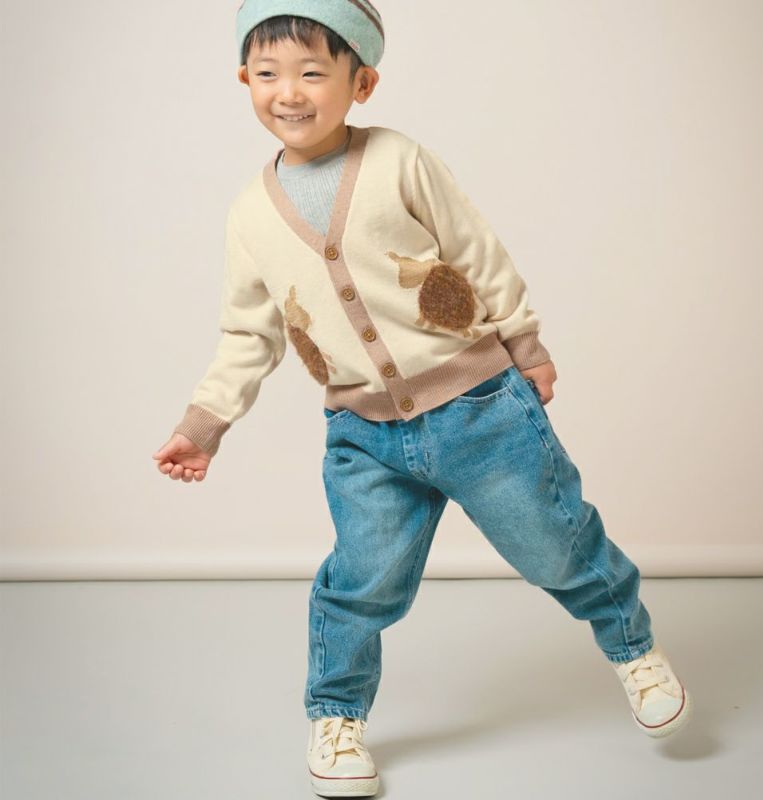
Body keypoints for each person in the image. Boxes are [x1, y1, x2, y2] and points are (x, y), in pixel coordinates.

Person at [152, 1, 693, 796]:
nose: (289, 91)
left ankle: (633, 648)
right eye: (268, 73)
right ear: (245, 80)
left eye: (312, 72)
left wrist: (526, 344)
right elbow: (248, 333)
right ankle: (335, 715)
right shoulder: (249, 215)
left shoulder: (399, 161)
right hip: (363, 433)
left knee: (555, 542)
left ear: (361, 83)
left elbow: (477, 253)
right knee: (359, 581)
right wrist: (206, 424)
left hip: (480, 407)